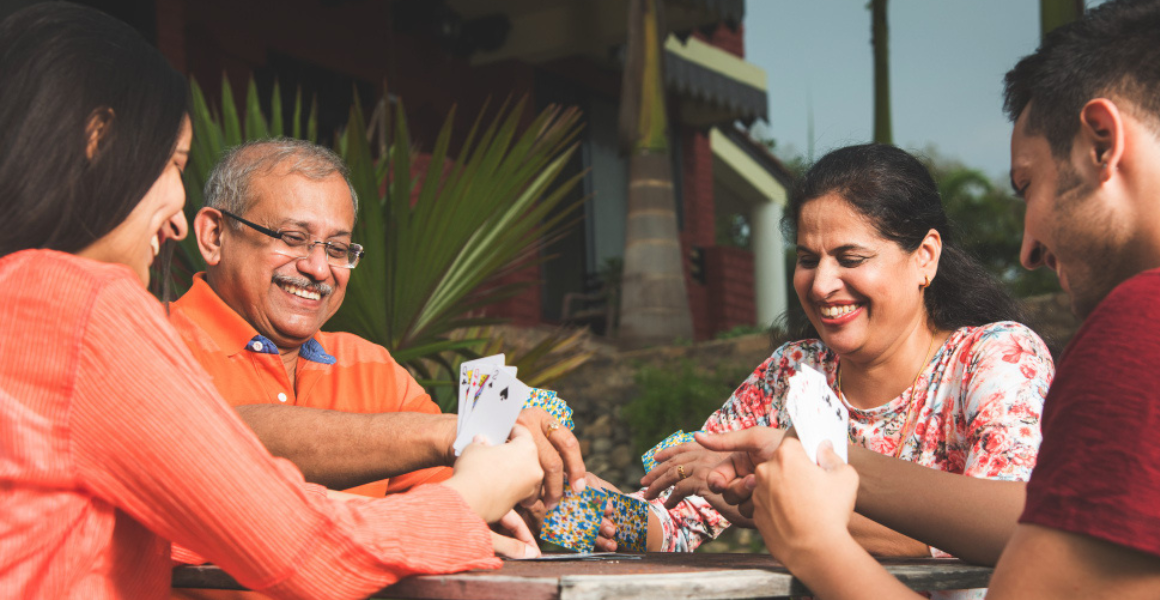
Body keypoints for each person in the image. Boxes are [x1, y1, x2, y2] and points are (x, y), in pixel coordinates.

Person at [0, 4, 543, 598]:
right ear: (98, 139)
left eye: (337, 248)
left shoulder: (20, 299)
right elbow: (304, 550)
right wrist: (471, 499)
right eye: (173, 164)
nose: (175, 217)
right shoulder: (85, 308)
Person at [706, 1, 1160, 598]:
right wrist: (806, 455)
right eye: (808, 258)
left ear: (1102, 141)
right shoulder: (791, 371)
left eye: (1027, 186)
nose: (1027, 249)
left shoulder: (1156, 330)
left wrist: (815, 543)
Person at [596, 144, 1053, 587]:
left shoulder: (995, 358)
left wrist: (778, 505)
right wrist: (572, 502)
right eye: (807, 260)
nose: (821, 285)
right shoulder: (793, 372)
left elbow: (1016, 528)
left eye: (850, 259)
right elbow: (672, 519)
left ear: (925, 257)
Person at [168, 138, 586, 508]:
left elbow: (463, 497)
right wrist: (458, 434)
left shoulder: (374, 367)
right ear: (214, 236)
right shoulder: (153, 344)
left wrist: (533, 465)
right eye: (293, 238)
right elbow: (227, 439)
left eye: (337, 248)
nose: (318, 268)